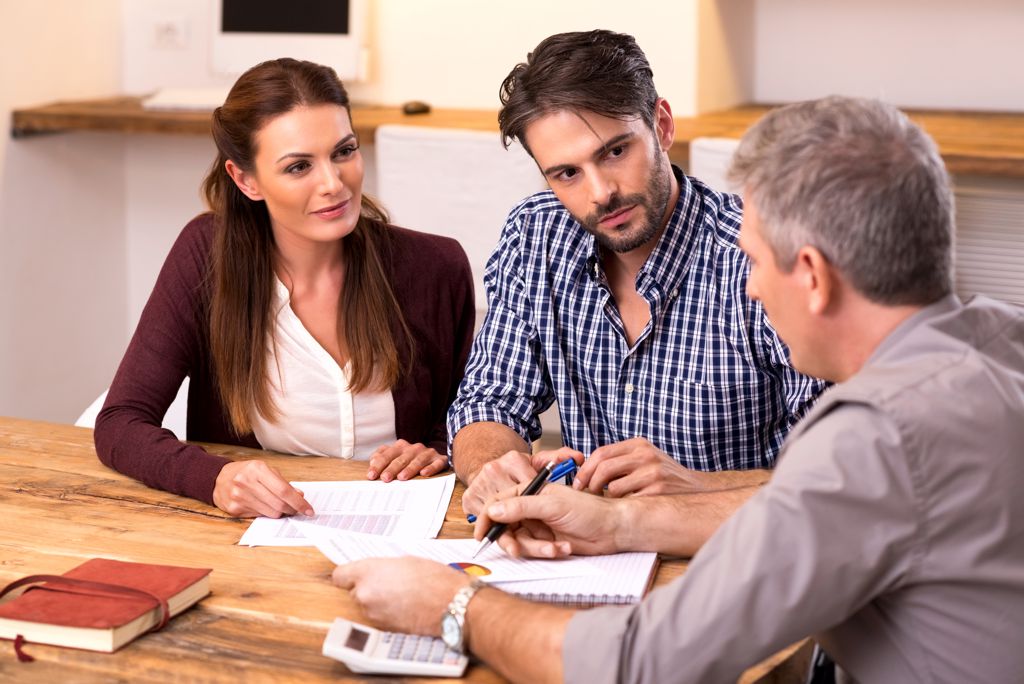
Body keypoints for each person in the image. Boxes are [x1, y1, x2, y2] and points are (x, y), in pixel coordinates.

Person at [334, 96, 1024, 683]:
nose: (750, 284)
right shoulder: (999, 339)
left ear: (811, 275)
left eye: (754, 261)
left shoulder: (876, 437)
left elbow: (643, 663)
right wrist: (614, 522)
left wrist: (451, 606)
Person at [449, 30, 826, 528]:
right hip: (585, 554)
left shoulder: (757, 255)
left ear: (662, 126)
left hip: (736, 555)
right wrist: (495, 471)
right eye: (567, 174)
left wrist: (695, 486)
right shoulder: (535, 234)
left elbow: (845, 475)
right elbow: (488, 399)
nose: (601, 192)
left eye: (614, 152)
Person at [95, 58, 475, 519]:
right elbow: (120, 424)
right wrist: (214, 478)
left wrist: (439, 449)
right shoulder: (206, 258)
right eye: (298, 167)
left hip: (408, 530)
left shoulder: (435, 267)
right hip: (261, 537)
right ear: (246, 180)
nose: (334, 184)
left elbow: (465, 417)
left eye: (344, 151)